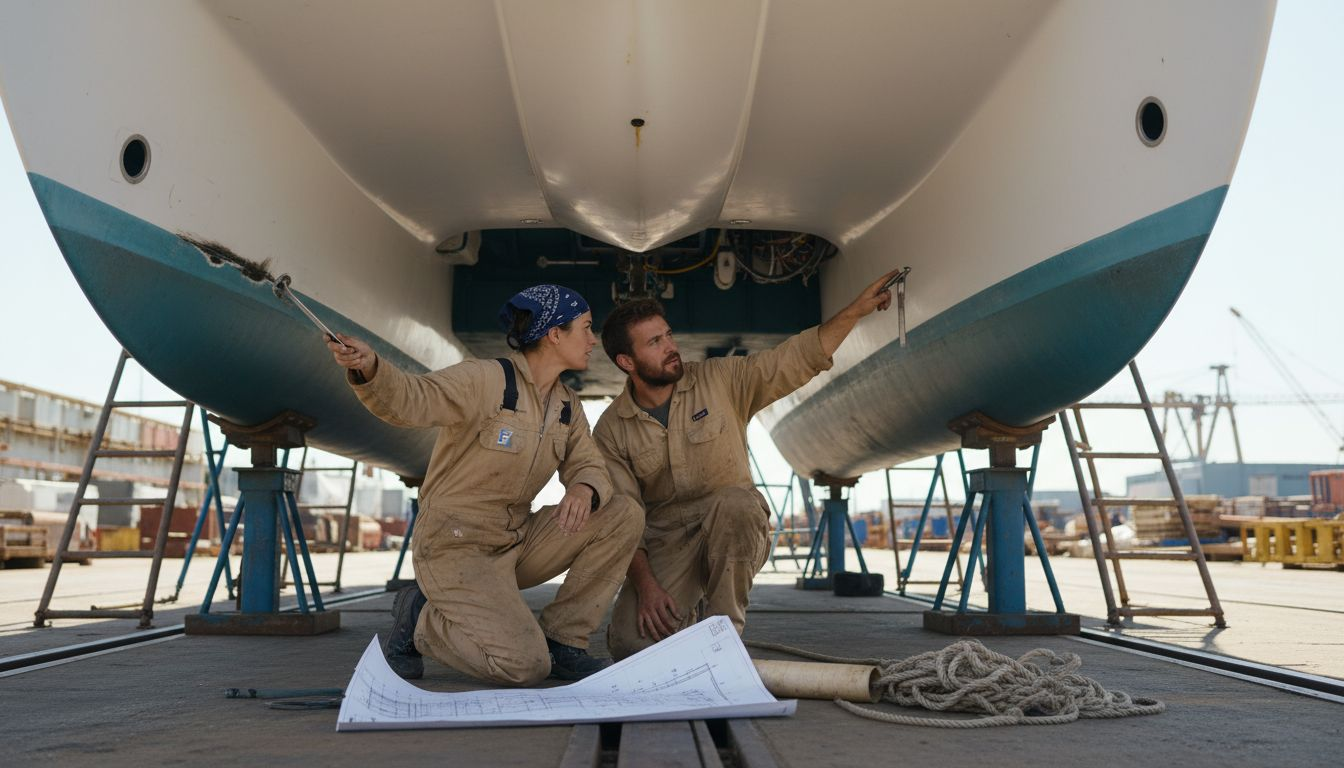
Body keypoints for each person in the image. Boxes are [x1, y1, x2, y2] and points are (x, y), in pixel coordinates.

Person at [328, 284, 643, 684]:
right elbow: (414, 398)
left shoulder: (566, 405)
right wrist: (371, 368)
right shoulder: (485, 379)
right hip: (455, 544)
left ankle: (564, 641)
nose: (592, 339)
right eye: (585, 327)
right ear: (554, 334)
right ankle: (421, 619)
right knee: (525, 665)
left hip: (514, 540)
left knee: (622, 514)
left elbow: (589, 465)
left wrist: (583, 488)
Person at [593, 270, 900, 659]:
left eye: (668, 334)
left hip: (735, 526)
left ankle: (724, 639)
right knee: (631, 645)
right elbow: (624, 522)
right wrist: (648, 589)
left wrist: (855, 311)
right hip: (668, 543)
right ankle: (687, 608)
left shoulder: (721, 379)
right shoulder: (611, 430)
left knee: (734, 504)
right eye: (655, 342)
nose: (671, 347)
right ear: (626, 361)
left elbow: (793, 360)